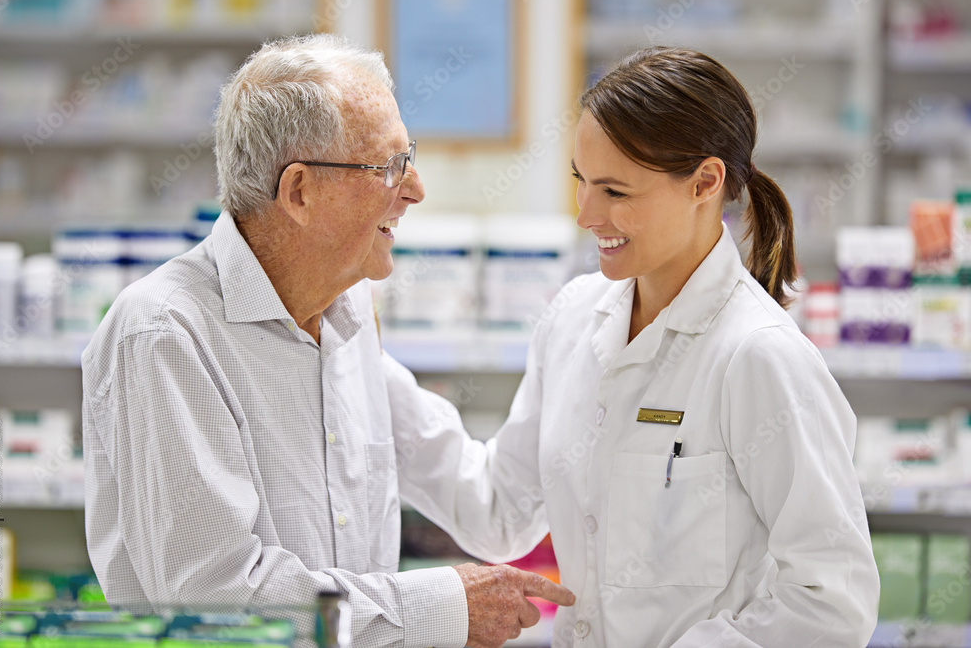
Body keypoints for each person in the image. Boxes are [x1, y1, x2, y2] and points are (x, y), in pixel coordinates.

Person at [81, 34, 574, 648]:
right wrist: (440, 607)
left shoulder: (344, 314)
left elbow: (489, 506)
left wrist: (578, 345)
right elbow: (215, 605)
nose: (416, 188)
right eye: (389, 165)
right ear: (300, 192)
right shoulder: (165, 333)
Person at [382, 47, 880, 646]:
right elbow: (502, 511)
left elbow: (832, 601)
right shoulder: (571, 319)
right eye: (581, 183)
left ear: (705, 181)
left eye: (616, 192)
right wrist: (357, 366)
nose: (587, 215)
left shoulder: (758, 355)